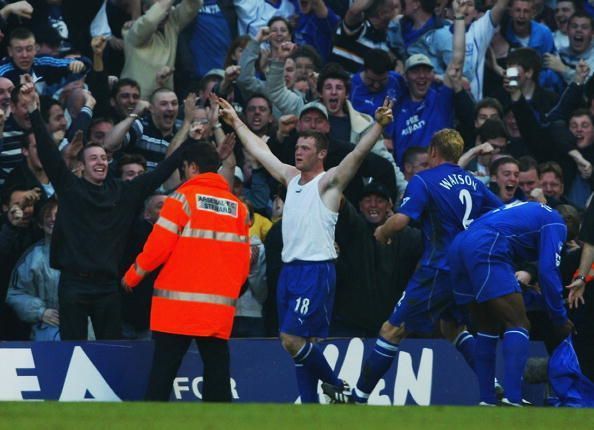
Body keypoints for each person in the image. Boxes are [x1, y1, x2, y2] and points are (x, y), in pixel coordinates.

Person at [218, 96, 393, 403]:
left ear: (321, 154)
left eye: (306, 148)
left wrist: (378, 125)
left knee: (290, 339)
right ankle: (310, 410)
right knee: (301, 345)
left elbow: (357, 154)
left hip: (315, 270)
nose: (298, 152)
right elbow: (260, 150)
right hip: (290, 270)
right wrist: (235, 121)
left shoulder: (329, 183)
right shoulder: (289, 177)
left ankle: (338, 385)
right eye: (297, 147)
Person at [323, 129, 501, 404]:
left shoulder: (424, 180)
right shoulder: (474, 183)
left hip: (438, 267)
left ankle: (357, 397)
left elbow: (402, 220)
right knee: (453, 328)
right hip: (468, 270)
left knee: (391, 330)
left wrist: (383, 232)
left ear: (432, 152)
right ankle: (494, 385)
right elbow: (500, 214)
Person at [20, 78, 189, 340]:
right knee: (72, 352)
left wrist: (190, 141)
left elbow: (162, 173)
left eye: (103, 158)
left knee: (112, 352)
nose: (99, 162)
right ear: (83, 165)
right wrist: (33, 110)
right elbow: (49, 154)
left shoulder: (124, 191)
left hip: (108, 286)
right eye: (93, 158)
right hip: (73, 284)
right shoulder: (70, 187)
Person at [122, 142, 250, 401]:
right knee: (217, 372)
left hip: (177, 307)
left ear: (192, 167)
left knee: (163, 372)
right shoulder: (238, 208)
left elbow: (157, 247)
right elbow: (243, 261)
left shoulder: (181, 199)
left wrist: (132, 276)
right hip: (217, 307)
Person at [449, 201, 578, 406]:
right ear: (570, 226)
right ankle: (513, 398)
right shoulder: (557, 222)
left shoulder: (528, 210)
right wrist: (559, 317)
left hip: (459, 245)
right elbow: (547, 271)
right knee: (518, 322)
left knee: (487, 325)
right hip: (487, 243)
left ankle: (487, 399)